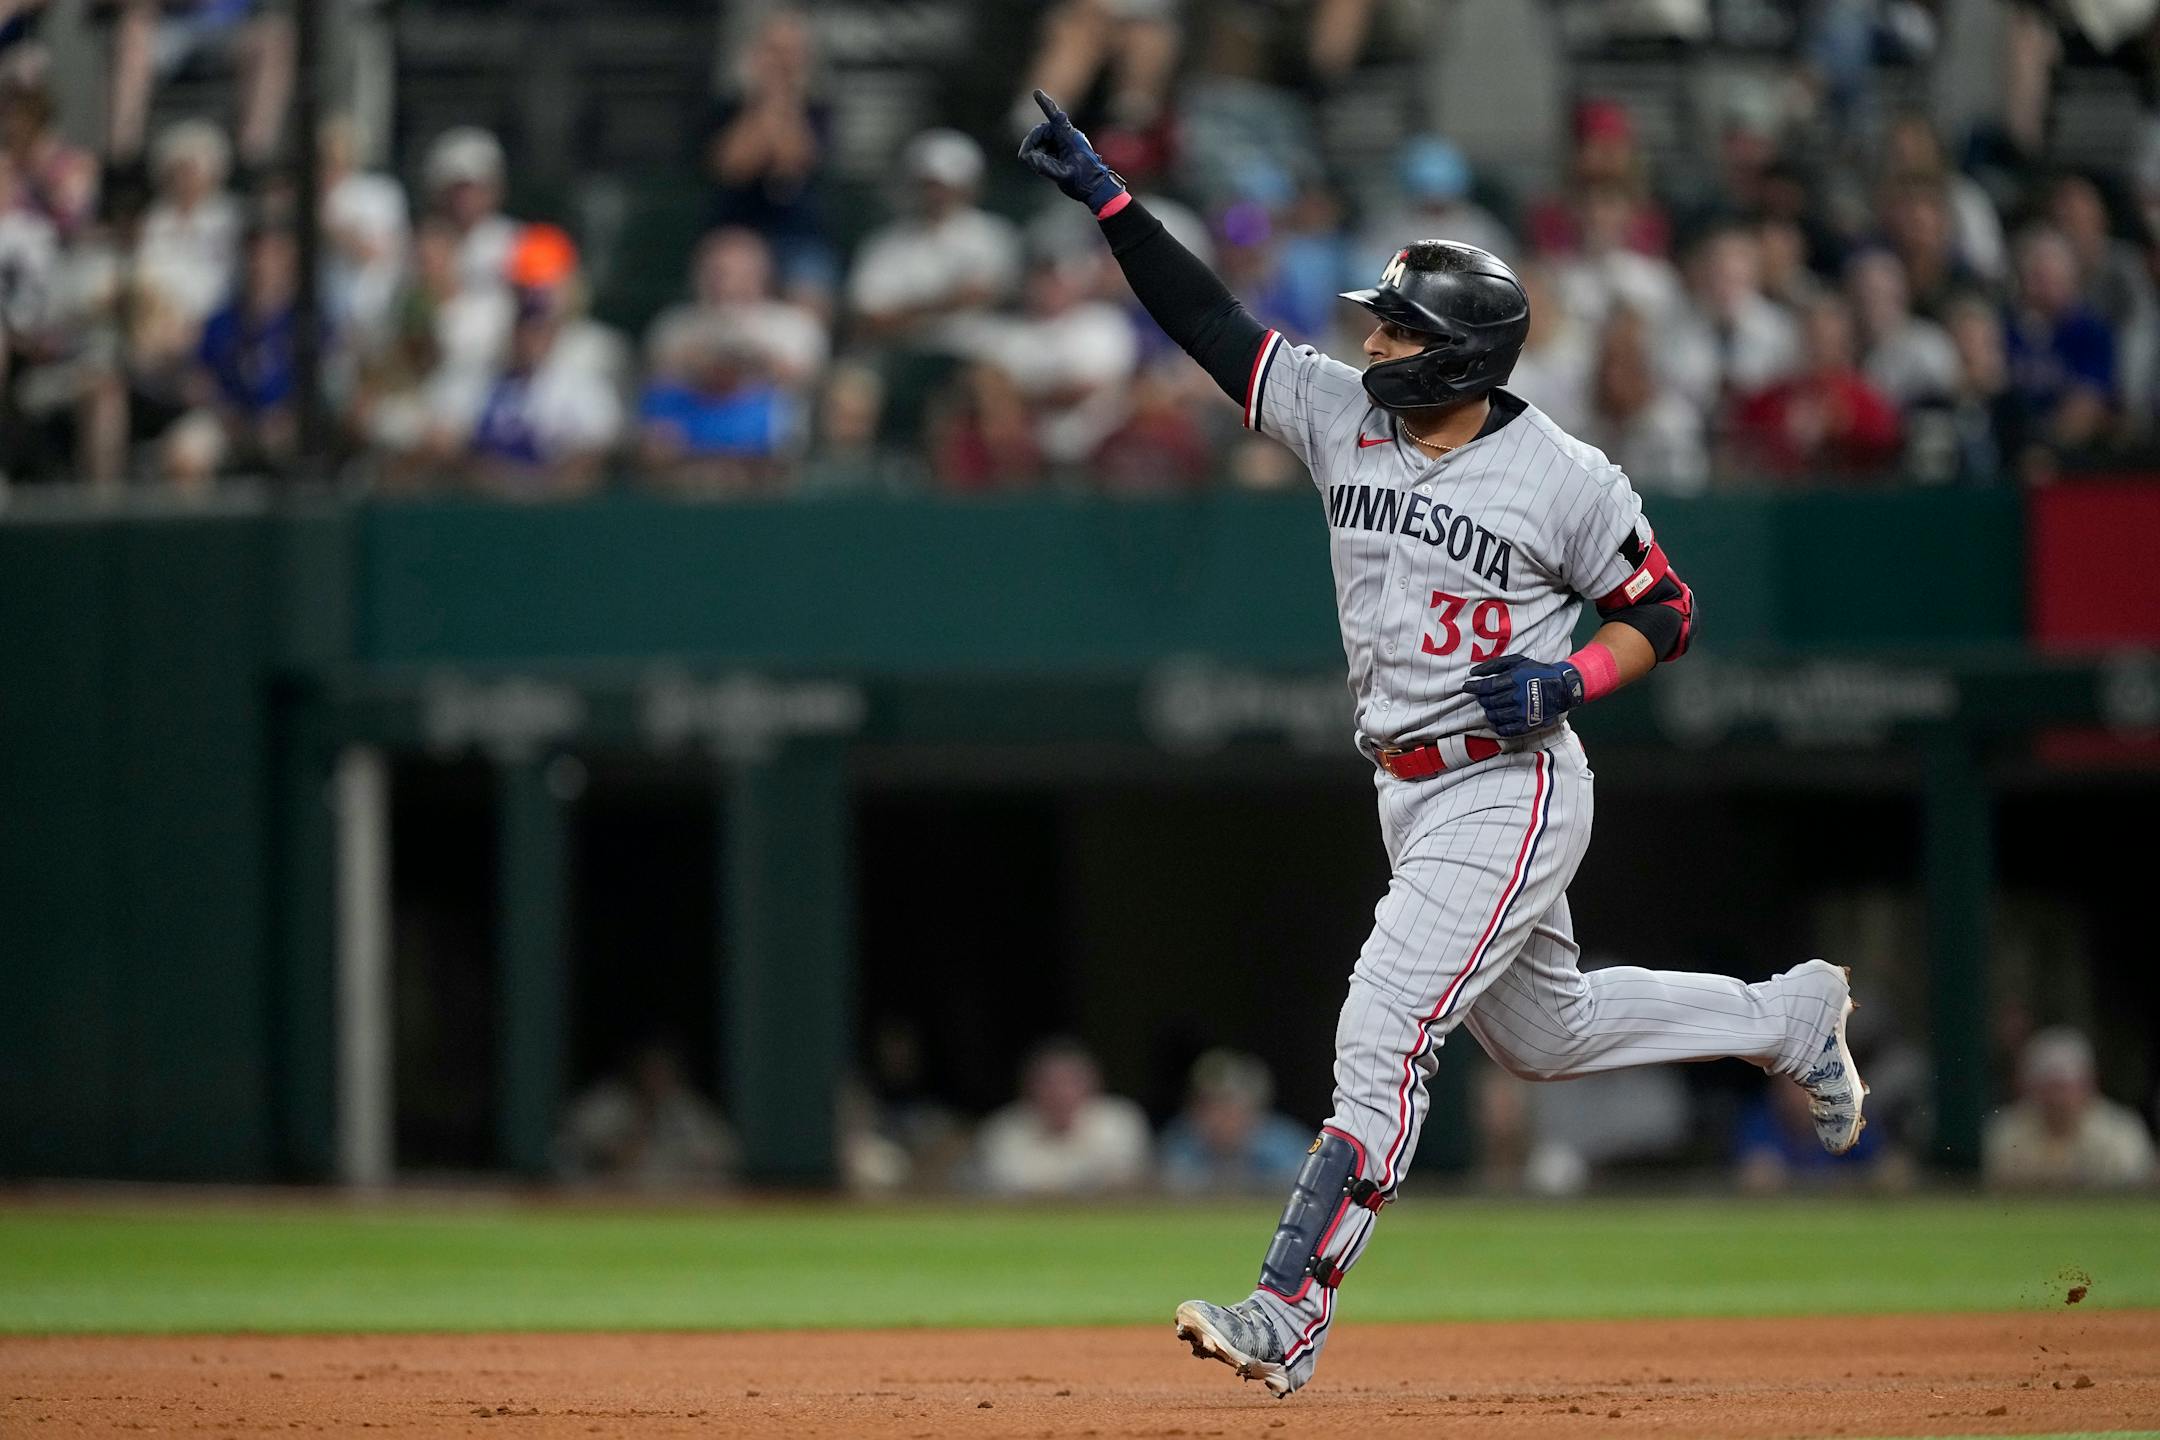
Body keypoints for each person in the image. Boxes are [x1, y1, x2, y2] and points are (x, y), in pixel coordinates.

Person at [1019, 88, 1866, 1400]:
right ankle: (1785, 1015)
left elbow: (1666, 611)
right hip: (1406, 789)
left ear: (1465, 357)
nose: (1378, 339)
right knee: (1547, 1034)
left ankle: (1287, 1312)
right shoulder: (1338, 412)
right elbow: (1212, 328)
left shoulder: (1566, 476)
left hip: (1509, 783)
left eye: (1403, 327)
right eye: (1382, 319)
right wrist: (1114, 203)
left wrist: (1572, 676)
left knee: (1384, 1026)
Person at [1729, 295, 1903, 481]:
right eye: (1813, 338)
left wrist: (1845, 424)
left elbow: (1886, 444)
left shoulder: (1866, 399)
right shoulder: (1772, 398)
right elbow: (1740, 444)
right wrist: (1783, 429)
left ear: (1845, 344)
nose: (1820, 348)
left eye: (1829, 341)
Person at [1983, 1027, 2156, 1190]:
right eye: (2048, 1088)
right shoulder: (2006, 1132)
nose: (2057, 1099)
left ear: (2088, 1085)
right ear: (2029, 1088)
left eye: (2065, 1087)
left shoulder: (2123, 1132)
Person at [975, 1038, 1150, 1196]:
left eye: (1071, 1082)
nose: (1060, 1094)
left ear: (1095, 1085)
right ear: (1027, 1088)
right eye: (1048, 1083)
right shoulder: (1002, 1130)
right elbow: (1001, 1190)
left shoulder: (1120, 1120)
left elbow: (1126, 1183)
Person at [553, 1042, 738, 1188]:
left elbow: (725, 1158)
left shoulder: (687, 1109)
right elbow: (587, 1158)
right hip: (604, 1201)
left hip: (675, 1202)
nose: (656, 1078)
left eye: (663, 1070)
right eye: (650, 1069)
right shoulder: (602, 1105)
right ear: (635, 1070)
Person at [1160, 1049, 1312, 1195]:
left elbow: (1311, 1186)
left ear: (1253, 1107)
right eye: (1208, 1105)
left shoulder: (1283, 1144)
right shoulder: (1182, 1142)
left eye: (1227, 1103)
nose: (1217, 1116)